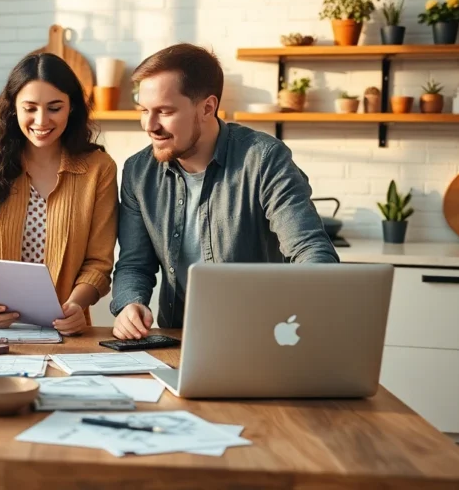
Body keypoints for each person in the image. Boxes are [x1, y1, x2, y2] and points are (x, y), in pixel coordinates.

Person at [110, 43, 339, 339]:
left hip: (261, 339)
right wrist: (130, 304)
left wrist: (314, 308)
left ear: (207, 107)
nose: (150, 125)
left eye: (164, 111)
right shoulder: (138, 172)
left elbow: (310, 250)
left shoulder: (263, 159)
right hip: (179, 339)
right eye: (144, 110)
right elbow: (134, 264)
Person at [0, 53, 118, 336]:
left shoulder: (99, 169)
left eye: (55, 108)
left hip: (64, 332)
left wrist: (77, 305)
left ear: (72, 108)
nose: (42, 120)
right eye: (30, 108)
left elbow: (99, 264)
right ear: (13, 108)